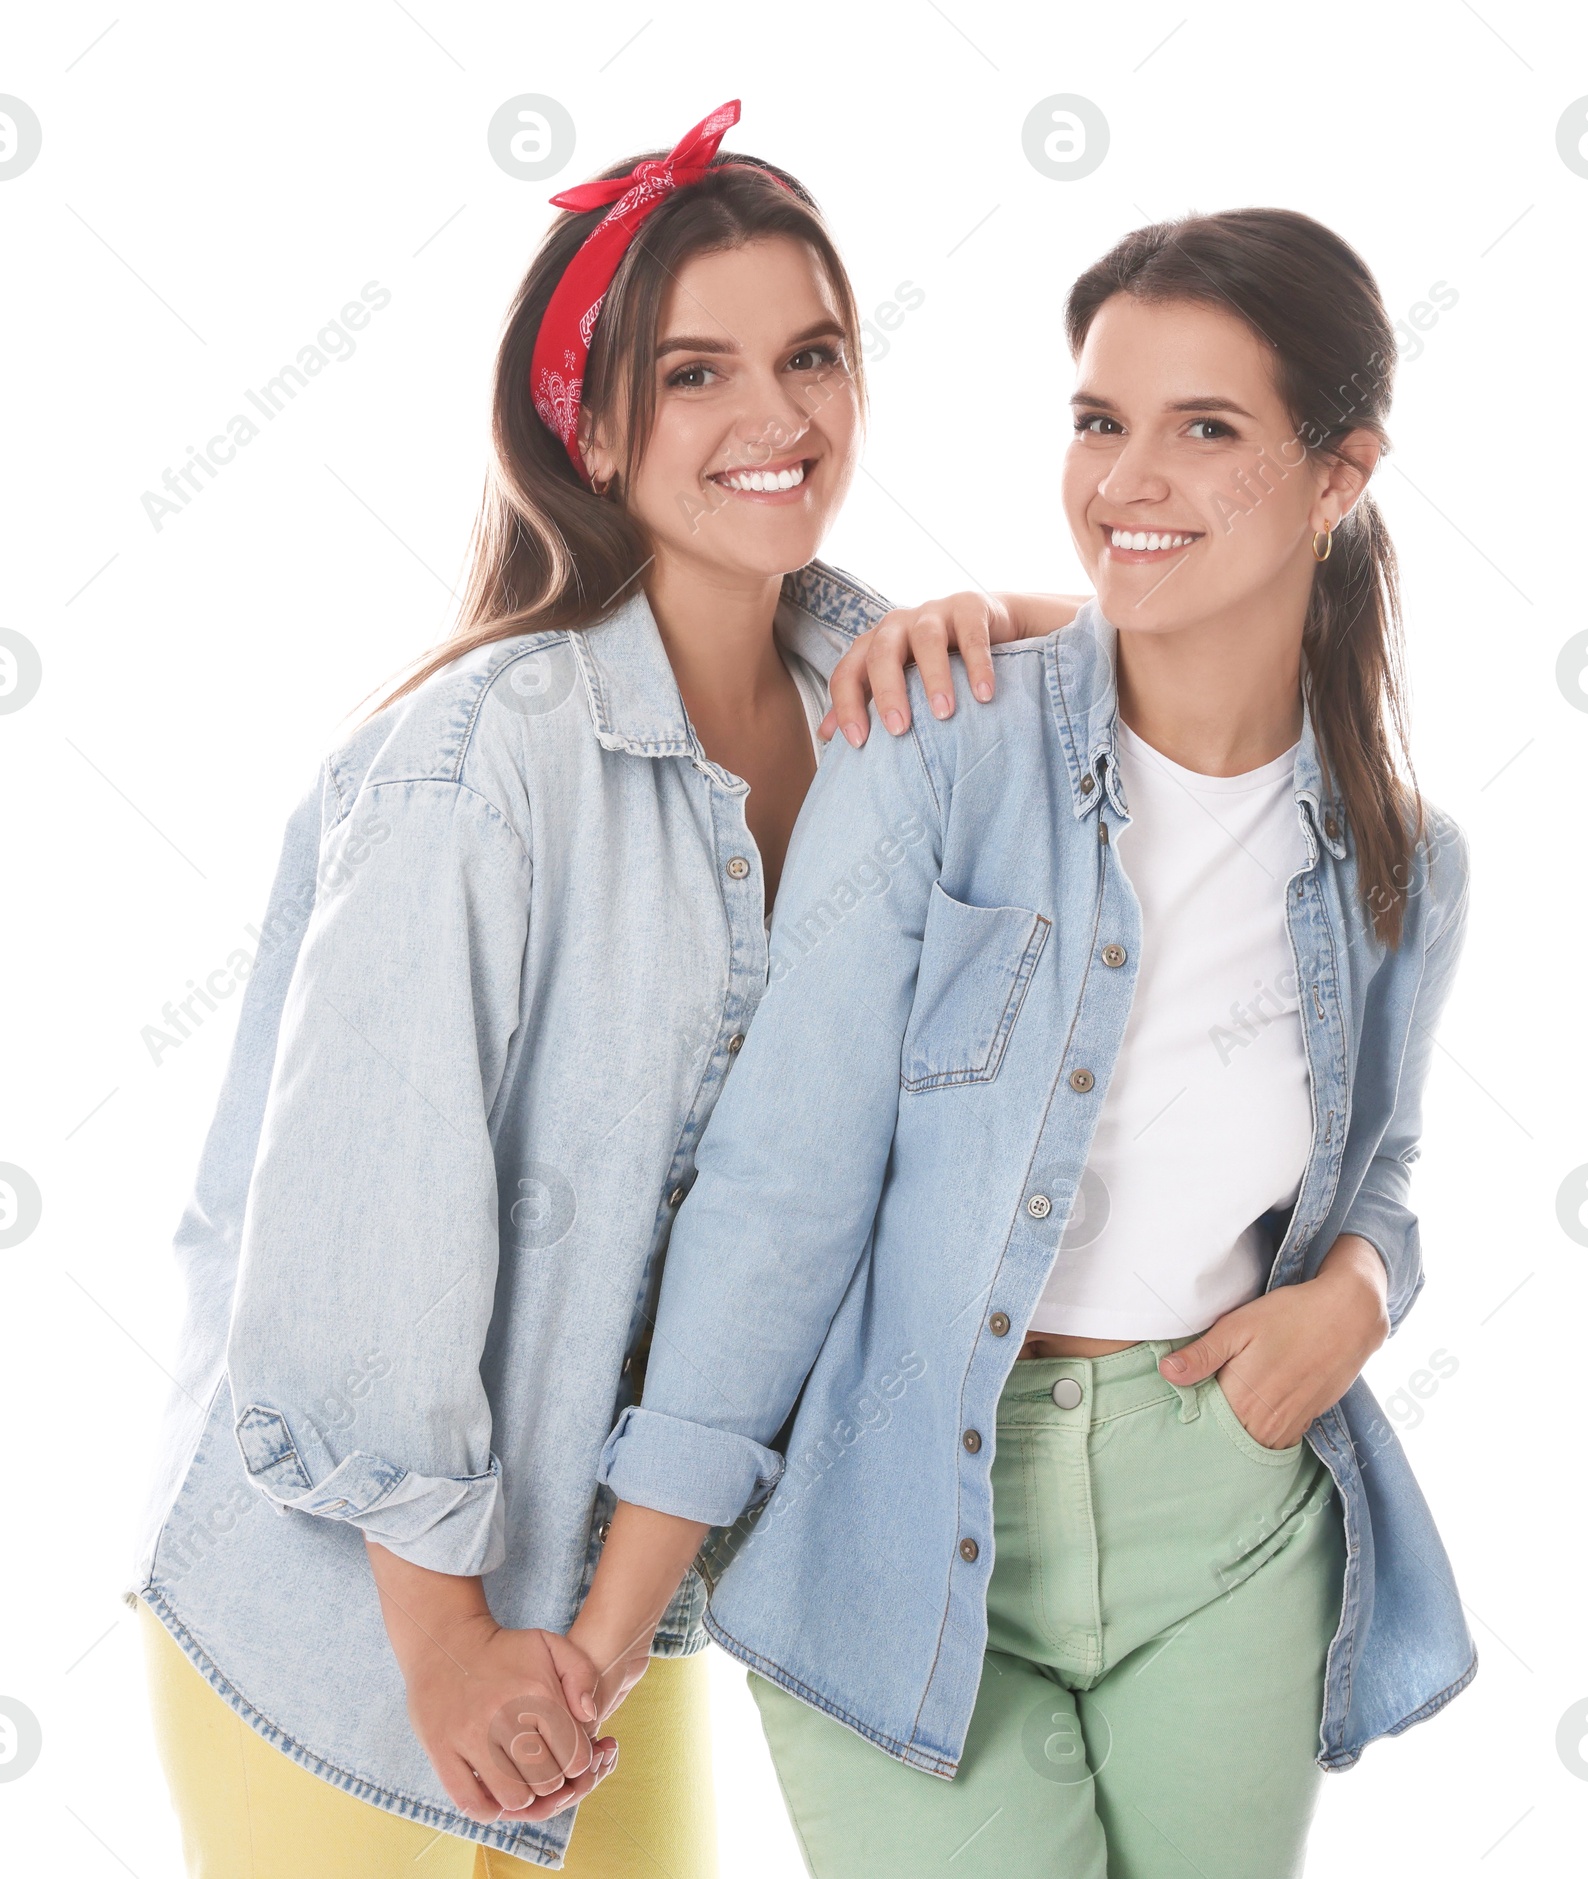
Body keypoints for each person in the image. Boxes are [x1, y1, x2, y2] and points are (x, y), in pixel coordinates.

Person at [129, 99, 1069, 1876]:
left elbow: (1194, 678)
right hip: (353, 1630)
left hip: (603, 1627)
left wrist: (1011, 608)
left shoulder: (889, 713)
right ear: (590, 421)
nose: (775, 418)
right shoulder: (477, 761)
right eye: (697, 374)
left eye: (812, 356)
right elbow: (363, 1229)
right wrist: (442, 1643)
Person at [577, 208, 1476, 1878]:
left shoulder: (1402, 865)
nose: (1128, 477)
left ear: (1339, 476)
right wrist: (621, 1617)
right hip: (899, 1514)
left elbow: (1386, 1166)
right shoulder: (941, 747)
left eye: (1206, 429)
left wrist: (1361, 1291)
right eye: (1099, 421)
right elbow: (782, 1189)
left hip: (1229, 1520)